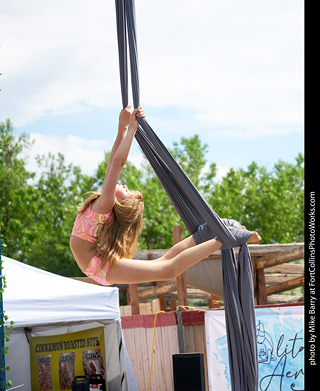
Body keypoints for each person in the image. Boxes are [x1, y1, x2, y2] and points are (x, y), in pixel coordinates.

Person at [70, 105, 262, 286]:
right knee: (164, 264)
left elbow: (117, 163)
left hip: (99, 267)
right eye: (129, 189)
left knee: (167, 269)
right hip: (97, 266)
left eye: (128, 191)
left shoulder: (105, 204)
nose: (126, 185)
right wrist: (123, 127)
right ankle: (213, 235)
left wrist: (131, 129)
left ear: (120, 202)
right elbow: (114, 161)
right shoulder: (104, 203)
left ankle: (223, 238)